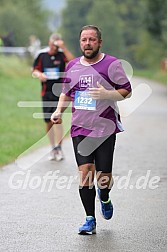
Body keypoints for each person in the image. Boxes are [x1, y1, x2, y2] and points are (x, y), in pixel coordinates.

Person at [51, 25, 132, 234]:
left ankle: (104, 196)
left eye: (92, 40)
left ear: (99, 42)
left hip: (105, 128)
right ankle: (90, 219)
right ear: (80, 42)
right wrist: (59, 111)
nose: (87, 44)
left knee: (103, 177)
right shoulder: (72, 66)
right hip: (80, 128)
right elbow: (67, 92)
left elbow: (127, 91)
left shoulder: (112, 64)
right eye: (84, 40)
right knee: (85, 172)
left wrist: (107, 94)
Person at [32, 33, 74, 161]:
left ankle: (59, 148)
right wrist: (39, 74)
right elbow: (34, 70)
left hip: (59, 93)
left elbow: (74, 62)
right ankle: (52, 148)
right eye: (53, 44)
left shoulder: (62, 54)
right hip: (46, 92)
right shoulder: (42, 55)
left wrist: (64, 48)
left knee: (57, 119)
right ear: (49, 43)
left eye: (57, 45)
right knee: (48, 121)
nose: (55, 47)